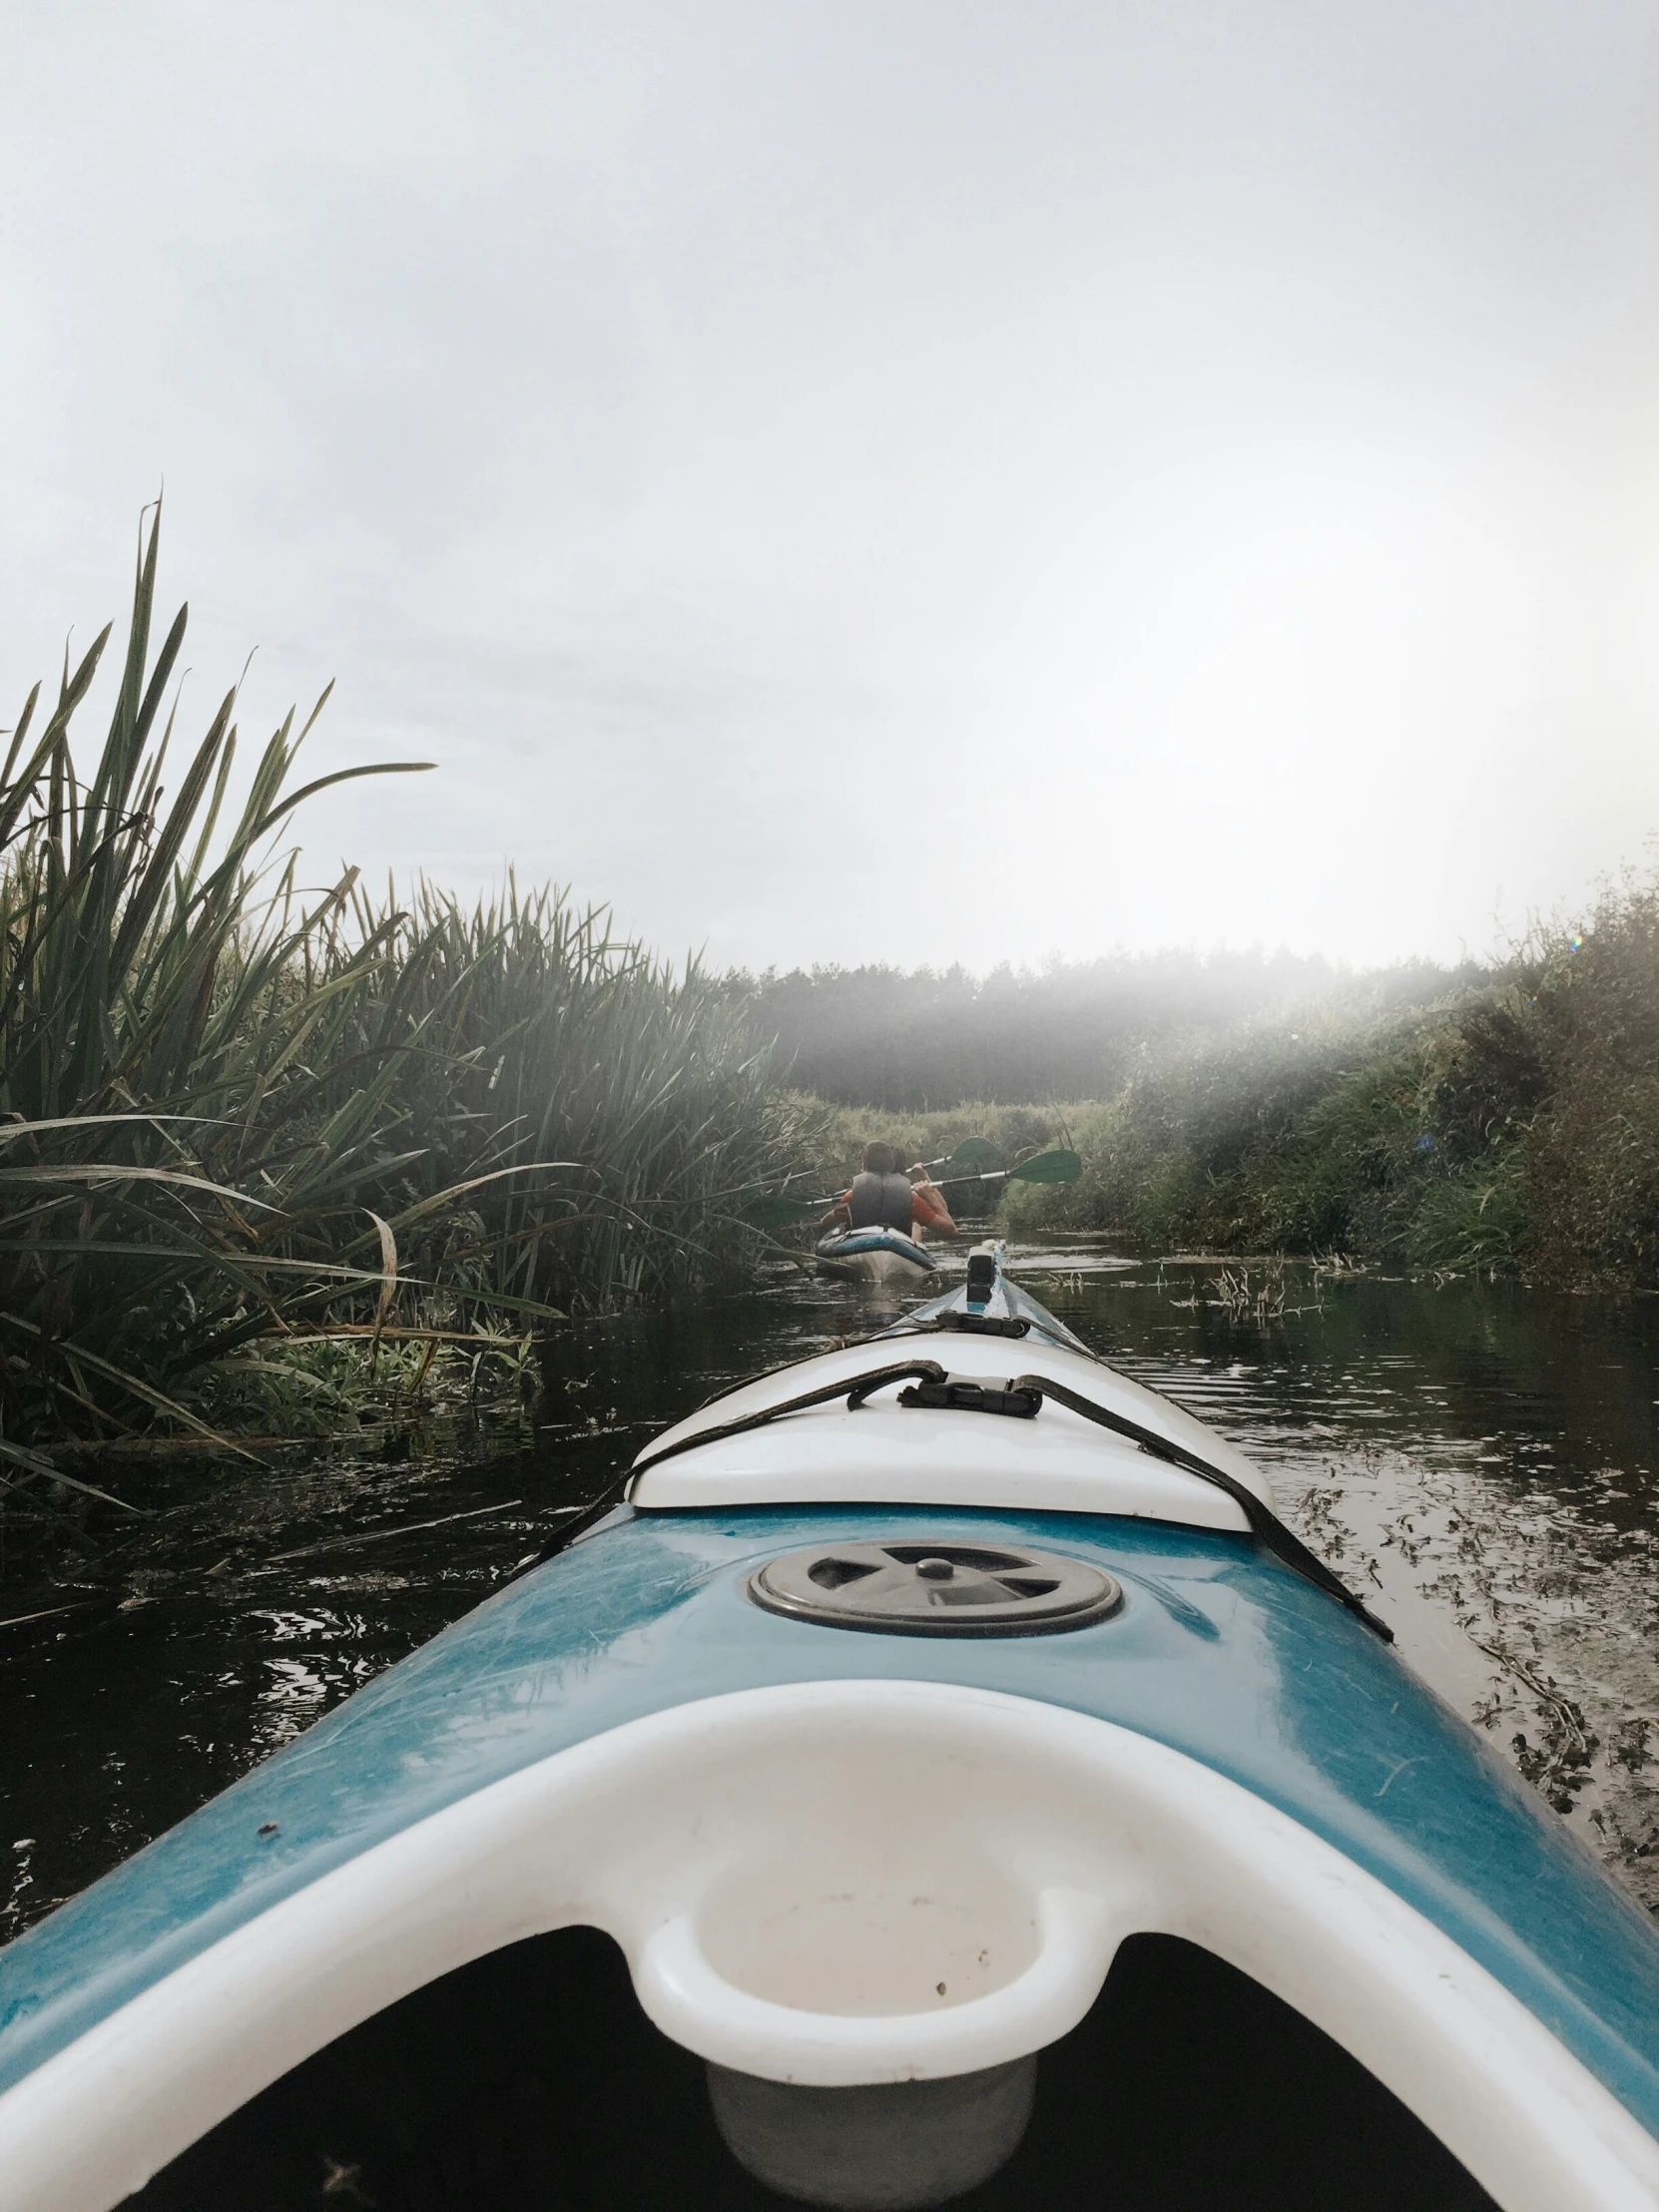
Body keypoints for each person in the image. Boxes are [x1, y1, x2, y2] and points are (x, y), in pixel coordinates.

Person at [821, 1142, 957, 1240]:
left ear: (863, 1167)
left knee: (916, 1226)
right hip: (899, 1245)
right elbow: (950, 1230)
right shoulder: (910, 1199)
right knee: (916, 1227)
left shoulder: (852, 1196)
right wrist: (930, 1194)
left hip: (861, 1245)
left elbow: (825, 1223)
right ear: (891, 1166)